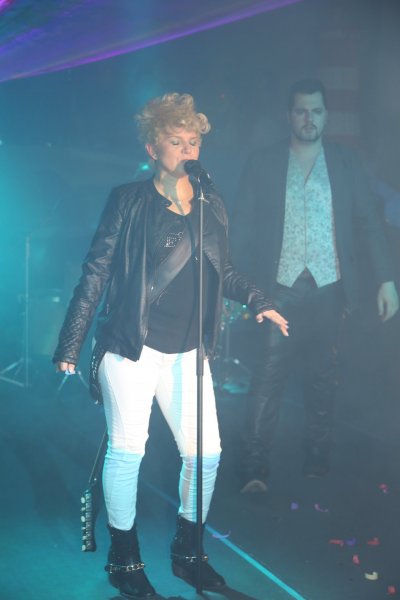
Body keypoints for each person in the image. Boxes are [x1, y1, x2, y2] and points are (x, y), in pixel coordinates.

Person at [53, 92, 288, 599]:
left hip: (187, 352)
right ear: (152, 146)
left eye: (194, 141)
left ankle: (188, 553)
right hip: (130, 349)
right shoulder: (128, 200)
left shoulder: (209, 201)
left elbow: (223, 267)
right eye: (176, 141)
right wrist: (70, 341)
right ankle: (124, 560)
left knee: (206, 455)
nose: (187, 150)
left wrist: (257, 298)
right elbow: (96, 273)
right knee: (128, 450)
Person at [231, 78, 399, 494]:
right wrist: (233, 285)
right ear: (289, 116)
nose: (309, 119)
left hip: (329, 286)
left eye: (317, 111)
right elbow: (242, 228)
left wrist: (386, 280)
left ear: (326, 116)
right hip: (278, 288)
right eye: (302, 111)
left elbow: (369, 223)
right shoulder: (264, 162)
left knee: (324, 375)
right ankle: (254, 466)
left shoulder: (345, 162)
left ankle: (317, 457)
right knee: (268, 375)